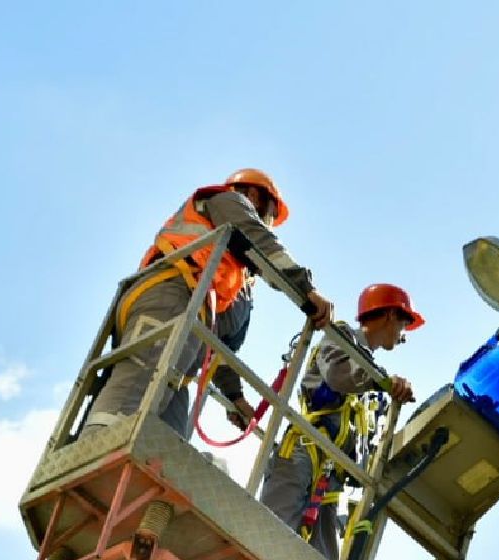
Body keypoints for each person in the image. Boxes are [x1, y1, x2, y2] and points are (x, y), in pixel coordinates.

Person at [83, 168, 333, 436]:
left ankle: (141, 473)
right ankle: (89, 461)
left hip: (191, 324)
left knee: (167, 431)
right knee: (132, 395)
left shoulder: (234, 278)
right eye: (271, 213)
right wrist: (305, 288)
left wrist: (234, 397)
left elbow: (218, 347)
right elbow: (260, 239)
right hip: (172, 296)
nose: (269, 222)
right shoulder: (228, 201)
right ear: (252, 195)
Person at [259, 283, 422, 560]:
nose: (403, 336)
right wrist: (384, 381)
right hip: (305, 451)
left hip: (335, 477)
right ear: (391, 316)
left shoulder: (375, 388)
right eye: (404, 324)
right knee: (268, 537)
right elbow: (337, 375)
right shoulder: (341, 336)